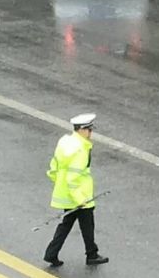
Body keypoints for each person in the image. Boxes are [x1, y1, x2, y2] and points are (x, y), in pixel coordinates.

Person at [44, 113, 109, 267]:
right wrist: (80, 199)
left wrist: (60, 184)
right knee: (87, 225)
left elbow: (53, 168)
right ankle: (91, 254)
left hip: (68, 193)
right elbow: (74, 177)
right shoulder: (80, 150)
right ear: (82, 130)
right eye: (90, 130)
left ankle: (51, 253)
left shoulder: (66, 143)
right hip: (80, 195)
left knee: (67, 223)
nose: (91, 133)